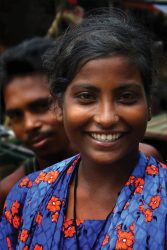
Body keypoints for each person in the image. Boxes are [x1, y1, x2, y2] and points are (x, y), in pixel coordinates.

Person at [0, 9, 166, 249]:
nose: (107, 118)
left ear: (149, 105)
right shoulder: (26, 196)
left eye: (127, 96)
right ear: (58, 106)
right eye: (87, 97)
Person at [0, 37, 76, 212]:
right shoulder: (11, 194)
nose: (29, 124)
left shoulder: (131, 164)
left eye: (41, 106)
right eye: (16, 115)